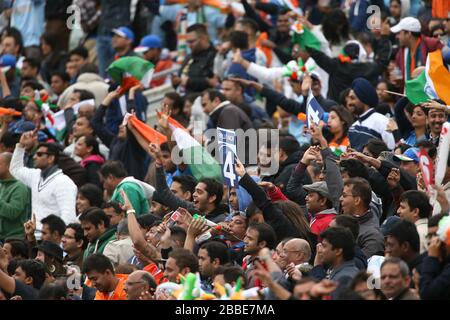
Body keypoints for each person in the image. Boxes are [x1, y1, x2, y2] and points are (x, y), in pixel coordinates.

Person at [10, 134, 77, 239]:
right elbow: (15, 170)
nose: (35, 157)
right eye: (36, 154)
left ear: (51, 158)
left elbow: (68, 217)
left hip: (51, 239)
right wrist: (20, 146)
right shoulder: (36, 175)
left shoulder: (64, 182)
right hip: (33, 236)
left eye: (40, 154)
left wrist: (59, 241)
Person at [340, 178, 384, 258]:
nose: (340, 199)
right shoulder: (342, 222)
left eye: (344, 195)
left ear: (357, 200)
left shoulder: (372, 236)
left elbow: (359, 265)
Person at [347, 78, 395, 151]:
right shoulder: (353, 127)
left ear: (363, 98)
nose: (349, 103)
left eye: (352, 98)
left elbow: (392, 151)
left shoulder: (383, 122)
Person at [391, 17, 443, 82]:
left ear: (408, 34)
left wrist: (427, 71)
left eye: (399, 33)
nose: (397, 36)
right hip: (410, 91)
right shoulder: (400, 54)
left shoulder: (432, 45)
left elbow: (444, 68)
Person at [173, 24, 217, 95]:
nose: (189, 45)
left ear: (204, 38)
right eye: (188, 42)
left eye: (192, 42)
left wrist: (189, 81)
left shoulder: (215, 56)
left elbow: (214, 82)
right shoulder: (189, 57)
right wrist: (176, 82)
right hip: (183, 99)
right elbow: (180, 78)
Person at [312, 227, 359, 292]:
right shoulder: (334, 269)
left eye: (324, 246)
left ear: (338, 251)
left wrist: (317, 266)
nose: (319, 250)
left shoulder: (344, 278)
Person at [0, 152, 30, 241]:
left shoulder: (20, 187)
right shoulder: (1, 185)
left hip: (14, 240)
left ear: (9, 166)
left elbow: (12, 212)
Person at [242, 222, 277, 288]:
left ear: (262, 244)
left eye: (250, 239)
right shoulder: (247, 260)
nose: (245, 241)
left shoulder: (271, 265)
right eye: (245, 236)